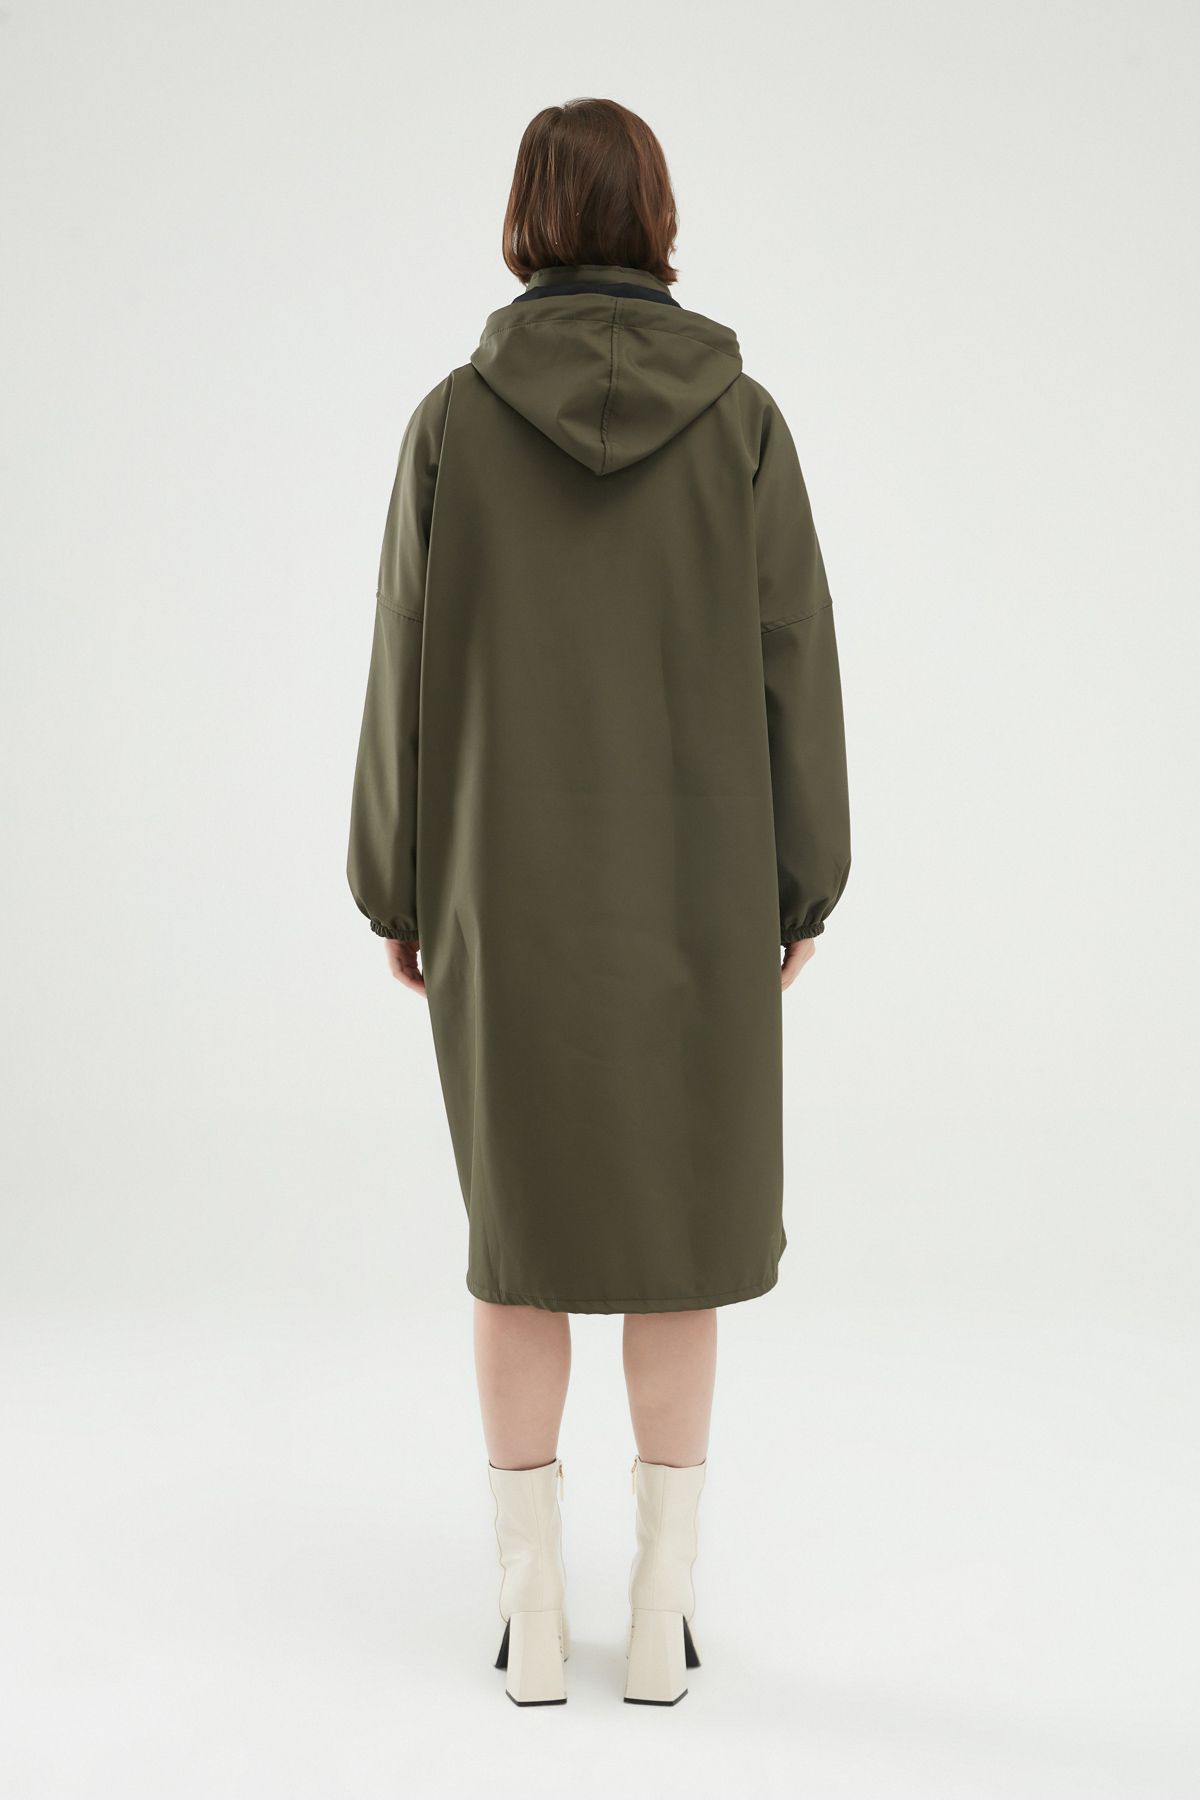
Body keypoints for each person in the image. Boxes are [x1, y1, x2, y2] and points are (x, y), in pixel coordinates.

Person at [347, 97, 850, 1707]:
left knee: (521, 1245)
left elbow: (403, 663)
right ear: (657, 213)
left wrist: (394, 880)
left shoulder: (452, 421)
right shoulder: (744, 421)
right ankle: (659, 1611)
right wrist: (803, 882)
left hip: (502, 888)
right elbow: (794, 660)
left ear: (527, 219)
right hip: (699, 894)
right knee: (676, 1243)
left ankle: (530, 1617)